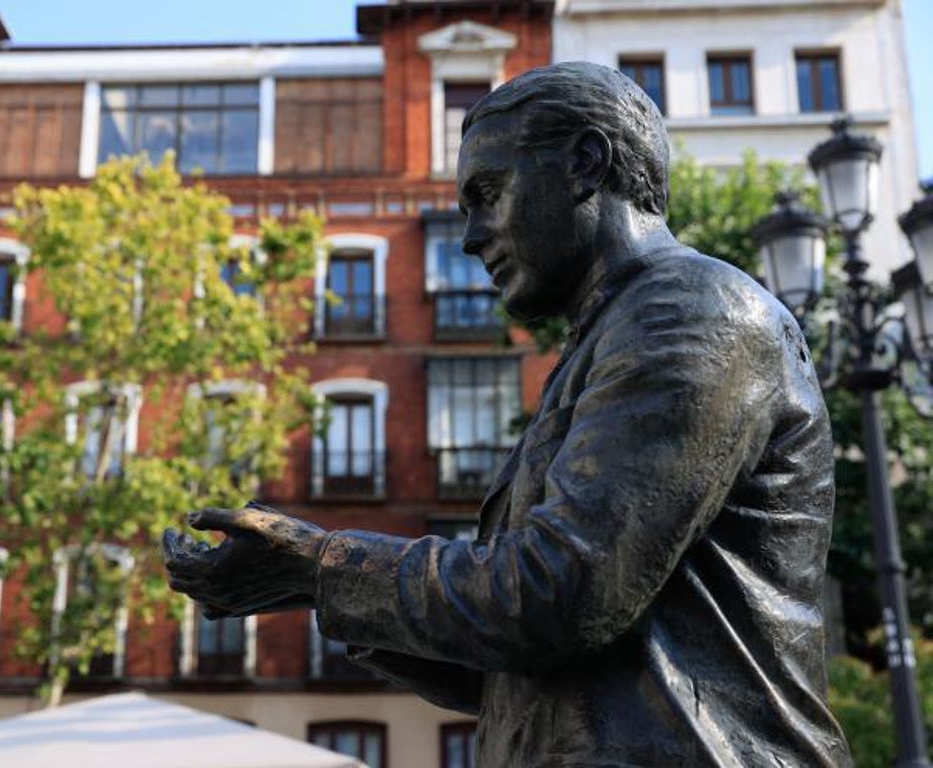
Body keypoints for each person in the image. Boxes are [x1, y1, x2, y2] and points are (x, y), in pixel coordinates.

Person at [164, 61, 852, 766]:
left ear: (585, 164)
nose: (471, 236)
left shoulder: (693, 314)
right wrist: (310, 585)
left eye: (488, 194)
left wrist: (321, 566)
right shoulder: (611, 340)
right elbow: (513, 663)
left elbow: (560, 595)